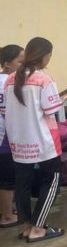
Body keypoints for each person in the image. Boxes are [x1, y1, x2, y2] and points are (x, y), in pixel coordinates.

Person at [0, 37, 65, 242]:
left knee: (22, 183)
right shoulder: (44, 80)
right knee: (52, 180)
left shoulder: (10, 79)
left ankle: (25, 227)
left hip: (18, 142)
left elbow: (5, 109)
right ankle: (38, 228)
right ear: (44, 56)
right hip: (43, 141)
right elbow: (50, 109)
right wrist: (60, 100)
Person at [0, 44, 23, 228]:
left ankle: (5, 211)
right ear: (7, 63)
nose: (24, 65)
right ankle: (7, 216)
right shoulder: (9, 82)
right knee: (7, 178)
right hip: (5, 137)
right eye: (20, 61)